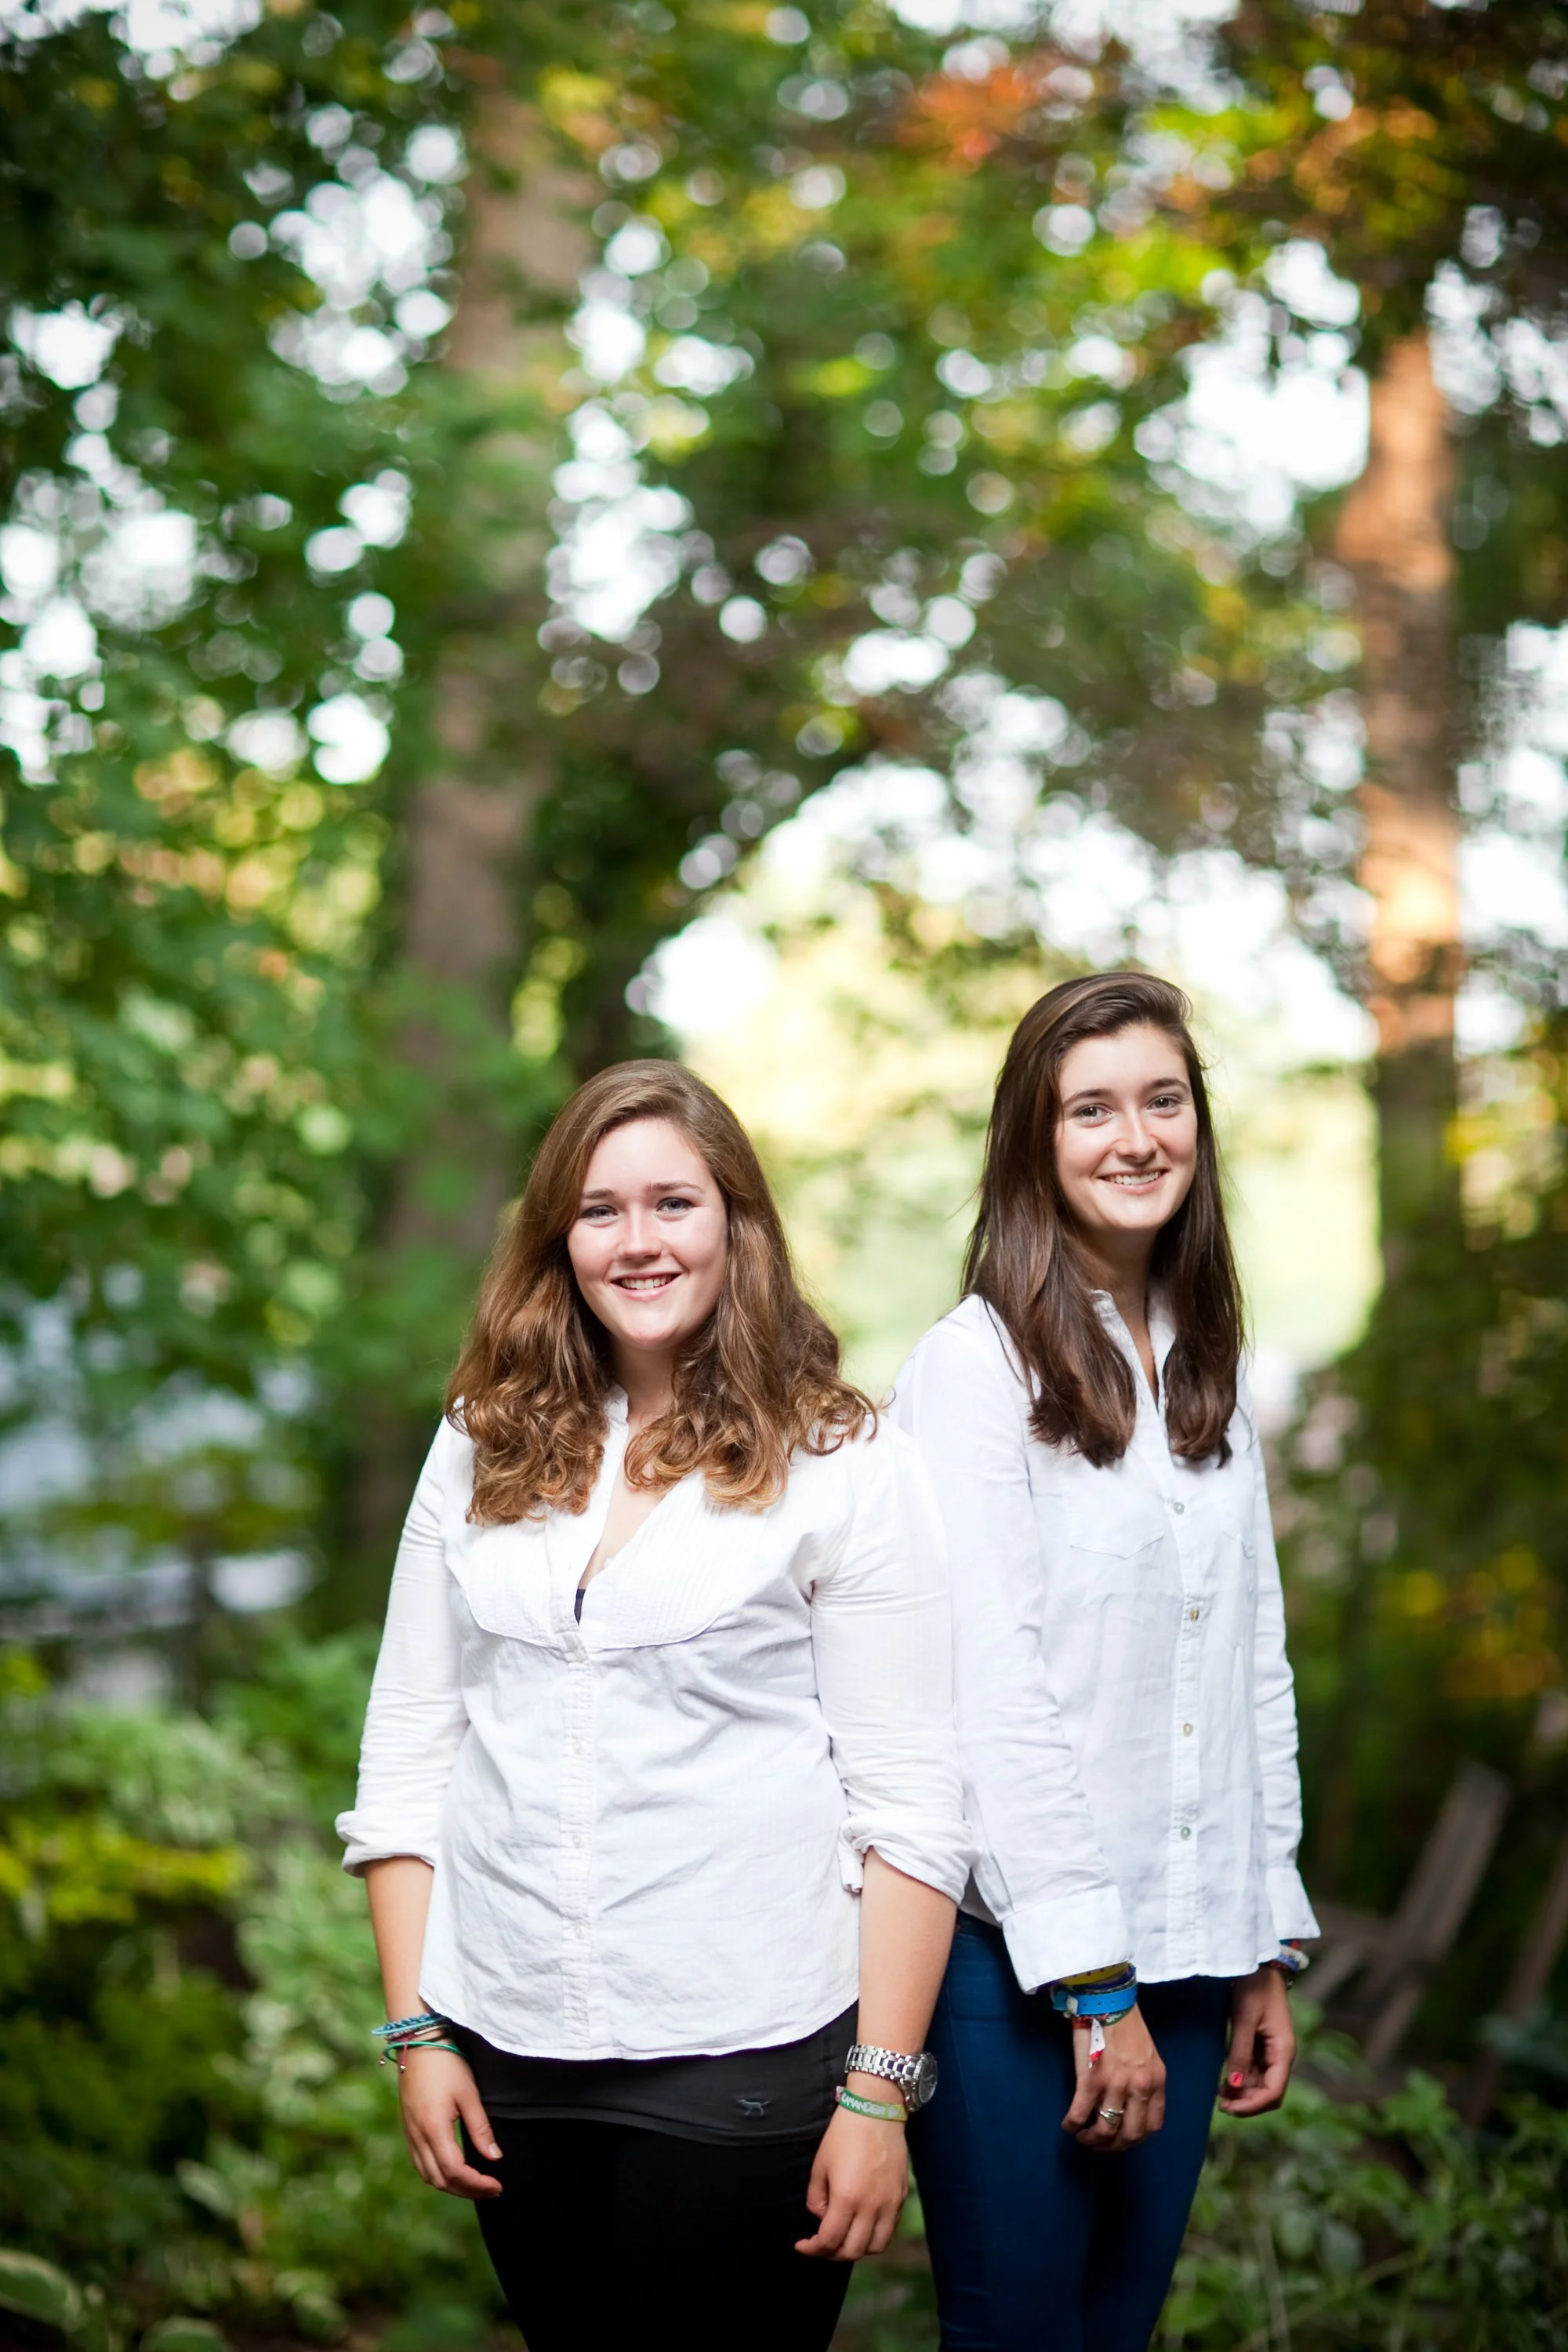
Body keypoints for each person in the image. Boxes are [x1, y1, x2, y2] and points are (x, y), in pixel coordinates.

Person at [336, 1061, 967, 2352]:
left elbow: (911, 1805)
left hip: (744, 2053)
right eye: (600, 1209)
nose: (638, 1241)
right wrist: (417, 2030)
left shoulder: (842, 1459)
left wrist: (879, 2095)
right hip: (508, 2045)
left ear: (737, 1222)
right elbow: (409, 1749)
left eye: (673, 1203)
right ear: (557, 1238)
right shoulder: (481, 1440)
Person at [890, 972, 1318, 2352]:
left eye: (1163, 1100)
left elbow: (1254, 1663)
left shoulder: (1208, 1360)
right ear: (1035, 1141)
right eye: (1092, 1109)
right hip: (1023, 1971)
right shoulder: (974, 1371)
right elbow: (987, 1693)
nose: (1136, 1137)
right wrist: (1098, 1989)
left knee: (1116, 2333)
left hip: (1194, 1950)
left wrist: (1263, 1937)